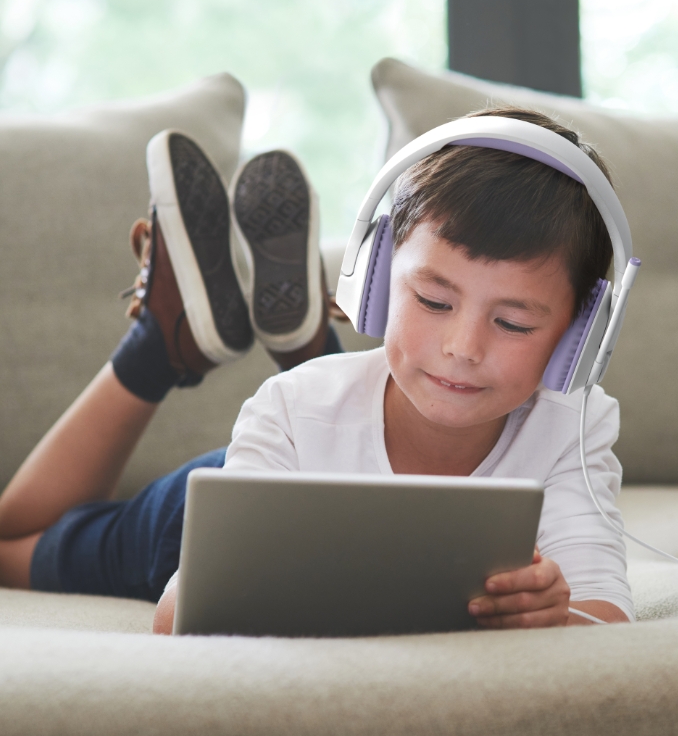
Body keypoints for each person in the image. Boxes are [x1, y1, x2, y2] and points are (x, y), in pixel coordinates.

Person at [0, 108, 634, 635]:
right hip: (212, 503)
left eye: (515, 324)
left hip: (311, 434)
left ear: (581, 336)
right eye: (434, 302)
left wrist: (553, 618)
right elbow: (177, 619)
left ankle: (288, 348)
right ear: (375, 282)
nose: (463, 348)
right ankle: (159, 343)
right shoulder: (291, 408)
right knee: (10, 543)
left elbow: (605, 616)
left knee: (324, 402)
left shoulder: (574, 427)